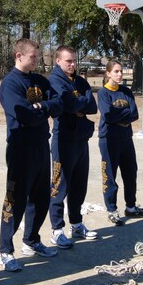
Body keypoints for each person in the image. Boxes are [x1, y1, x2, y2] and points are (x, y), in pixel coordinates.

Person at [0, 38, 63, 271]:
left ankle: (32, 240)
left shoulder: (39, 80)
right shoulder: (10, 83)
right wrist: (41, 110)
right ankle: (5, 250)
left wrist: (42, 108)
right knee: (15, 200)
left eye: (38, 56)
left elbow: (58, 104)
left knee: (41, 197)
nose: (37, 60)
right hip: (20, 148)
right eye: (33, 57)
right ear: (19, 56)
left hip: (40, 146)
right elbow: (23, 114)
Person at [47, 46, 98, 248]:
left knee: (79, 184)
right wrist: (79, 102)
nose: (72, 64)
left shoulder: (79, 81)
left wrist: (80, 102)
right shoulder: (55, 80)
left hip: (81, 139)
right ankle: (57, 230)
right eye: (68, 61)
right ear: (58, 61)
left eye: (74, 60)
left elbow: (92, 107)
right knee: (60, 185)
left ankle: (76, 224)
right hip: (64, 139)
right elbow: (68, 104)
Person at [97, 60, 143, 226]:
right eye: (116, 71)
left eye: (121, 71)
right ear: (108, 73)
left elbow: (134, 114)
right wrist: (123, 115)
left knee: (130, 172)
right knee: (110, 176)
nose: (120, 74)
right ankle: (112, 210)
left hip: (126, 138)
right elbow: (108, 115)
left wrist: (120, 115)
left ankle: (131, 207)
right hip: (109, 139)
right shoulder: (104, 93)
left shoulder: (126, 91)